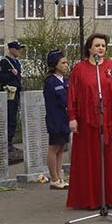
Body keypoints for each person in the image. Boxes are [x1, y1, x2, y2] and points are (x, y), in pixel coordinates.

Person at [66, 33, 112, 209]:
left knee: (109, 161)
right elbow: (73, 95)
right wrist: (73, 117)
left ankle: (109, 198)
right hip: (87, 123)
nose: (101, 48)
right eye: (97, 45)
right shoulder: (79, 69)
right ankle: (89, 199)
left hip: (111, 121)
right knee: (89, 161)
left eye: (103, 45)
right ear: (89, 48)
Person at [43, 50, 70, 189]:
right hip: (56, 119)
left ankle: (60, 176)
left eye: (66, 62)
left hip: (65, 119)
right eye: (63, 63)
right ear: (55, 65)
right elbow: (61, 100)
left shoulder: (65, 80)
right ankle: (53, 178)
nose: (66, 65)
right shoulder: (51, 81)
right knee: (54, 148)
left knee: (61, 148)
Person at [0, 40, 25, 153]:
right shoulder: (4, 62)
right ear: (11, 49)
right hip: (8, 95)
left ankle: (10, 142)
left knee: (13, 119)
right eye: (17, 49)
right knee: (8, 117)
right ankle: (6, 143)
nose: (19, 51)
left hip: (15, 93)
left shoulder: (16, 62)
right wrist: (11, 73)